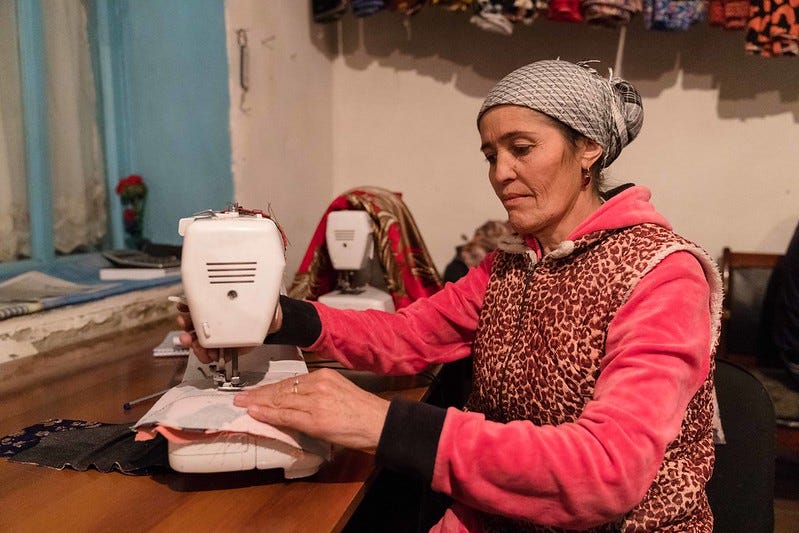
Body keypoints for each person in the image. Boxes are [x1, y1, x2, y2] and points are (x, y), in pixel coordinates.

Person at [179, 59, 722, 532]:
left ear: (588, 149)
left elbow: (606, 473)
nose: (500, 173)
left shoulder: (662, 275)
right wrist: (274, 317)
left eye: (522, 148)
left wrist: (384, 423)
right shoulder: (513, 263)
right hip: (500, 514)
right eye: (490, 154)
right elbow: (409, 335)